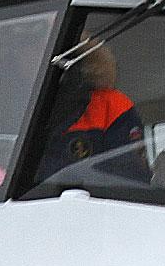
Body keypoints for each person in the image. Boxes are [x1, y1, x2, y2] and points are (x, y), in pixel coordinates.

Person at [35, 42, 148, 185]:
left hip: (87, 197)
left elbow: (129, 181)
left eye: (34, 42)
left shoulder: (112, 106)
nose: (29, 53)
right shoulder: (9, 107)